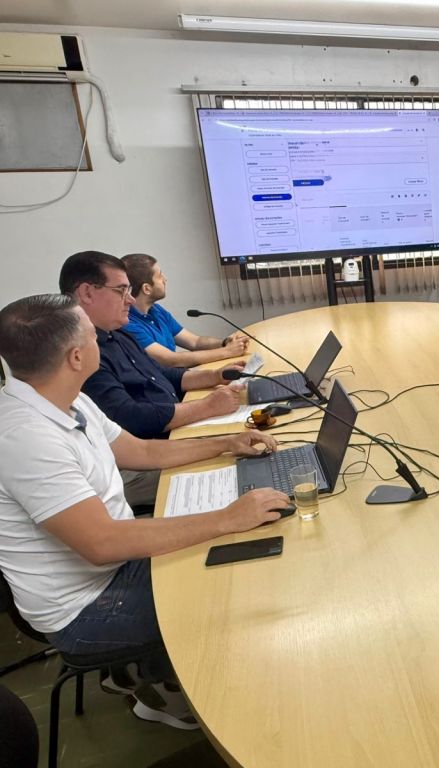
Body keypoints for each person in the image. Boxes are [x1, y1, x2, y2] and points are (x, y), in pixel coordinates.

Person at [0, 293, 289, 729]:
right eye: (91, 335)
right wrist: (227, 518)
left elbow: (142, 452)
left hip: (117, 564)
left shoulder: (68, 398)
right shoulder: (26, 437)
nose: (102, 340)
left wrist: (228, 443)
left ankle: (151, 673)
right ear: (76, 356)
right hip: (86, 607)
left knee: (244, 548)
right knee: (239, 590)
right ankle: (187, 696)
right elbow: (102, 543)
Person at [59, 251, 245, 506]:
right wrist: (206, 407)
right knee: (236, 468)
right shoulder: (84, 354)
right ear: (87, 293)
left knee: (246, 443)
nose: (130, 299)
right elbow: (132, 420)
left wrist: (214, 376)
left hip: (167, 437)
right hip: (143, 458)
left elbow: (159, 374)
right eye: (121, 291)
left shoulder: (118, 333)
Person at [121, 253, 249, 368]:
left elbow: (195, 342)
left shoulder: (156, 310)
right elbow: (171, 360)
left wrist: (225, 343)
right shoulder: (127, 323)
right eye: (160, 276)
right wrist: (227, 352)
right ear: (147, 289)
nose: (165, 279)